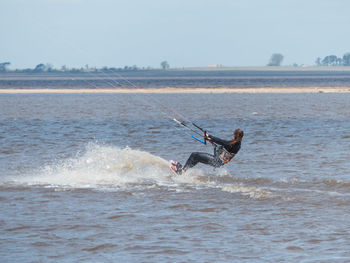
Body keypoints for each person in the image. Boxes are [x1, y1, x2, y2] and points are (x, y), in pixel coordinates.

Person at [171, 129, 244, 175]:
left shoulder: (232, 144)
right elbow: (222, 146)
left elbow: (221, 141)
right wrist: (210, 140)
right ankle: (184, 168)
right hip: (218, 162)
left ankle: (182, 171)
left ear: (235, 135)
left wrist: (210, 136)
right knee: (197, 158)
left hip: (216, 161)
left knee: (194, 155)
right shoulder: (238, 145)